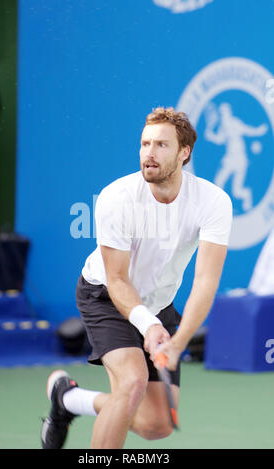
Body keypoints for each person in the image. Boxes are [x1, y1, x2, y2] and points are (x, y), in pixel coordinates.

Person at [41, 106, 232, 449]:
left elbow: (205, 281)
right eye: (145, 144)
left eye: (161, 145)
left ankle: (68, 400)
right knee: (132, 384)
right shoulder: (117, 198)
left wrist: (178, 341)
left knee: (156, 424)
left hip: (159, 303)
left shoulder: (213, 202)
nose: (149, 153)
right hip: (105, 295)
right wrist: (148, 326)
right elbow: (116, 280)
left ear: (184, 153)